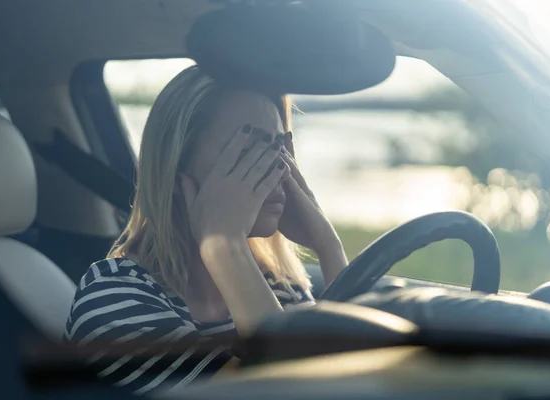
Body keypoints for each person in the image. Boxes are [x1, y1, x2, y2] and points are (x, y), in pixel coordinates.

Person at [64, 65, 348, 395]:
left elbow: (362, 378)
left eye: (278, 147)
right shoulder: (113, 300)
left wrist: (329, 247)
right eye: (248, 151)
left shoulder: (277, 285)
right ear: (175, 170)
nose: (278, 168)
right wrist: (222, 245)